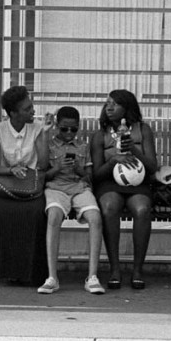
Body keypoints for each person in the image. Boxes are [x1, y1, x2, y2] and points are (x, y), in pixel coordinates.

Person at [89, 90, 158, 290]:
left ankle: (137, 270)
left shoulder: (143, 130)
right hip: (109, 183)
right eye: (107, 103)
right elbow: (96, 174)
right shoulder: (100, 135)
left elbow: (153, 167)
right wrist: (113, 161)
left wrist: (134, 150)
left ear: (127, 108)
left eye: (115, 104)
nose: (109, 108)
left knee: (142, 209)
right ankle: (115, 269)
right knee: (110, 207)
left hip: (139, 182)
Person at [38, 106, 106, 295]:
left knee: (95, 217)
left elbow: (89, 177)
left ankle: (92, 276)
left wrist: (79, 169)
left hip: (79, 187)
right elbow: (43, 176)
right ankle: (52, 276)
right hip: (56, 188)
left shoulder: (83, 147)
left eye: (73, 129)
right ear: (57, 126)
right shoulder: (49, 145)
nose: (69, 133)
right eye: (64, 129)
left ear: (79, 128)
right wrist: (58, 167)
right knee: (53, 216)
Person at [0, 85, 50, 285]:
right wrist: (11, 169)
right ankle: (7, 269)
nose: (32, 111)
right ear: (13, 113)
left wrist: (45, 135)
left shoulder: (38, 128)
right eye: (27, 109)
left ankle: (32, 272)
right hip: (8, 184)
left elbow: (43, 164)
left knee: (37, 213)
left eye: (31, 106)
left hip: (31, 185)